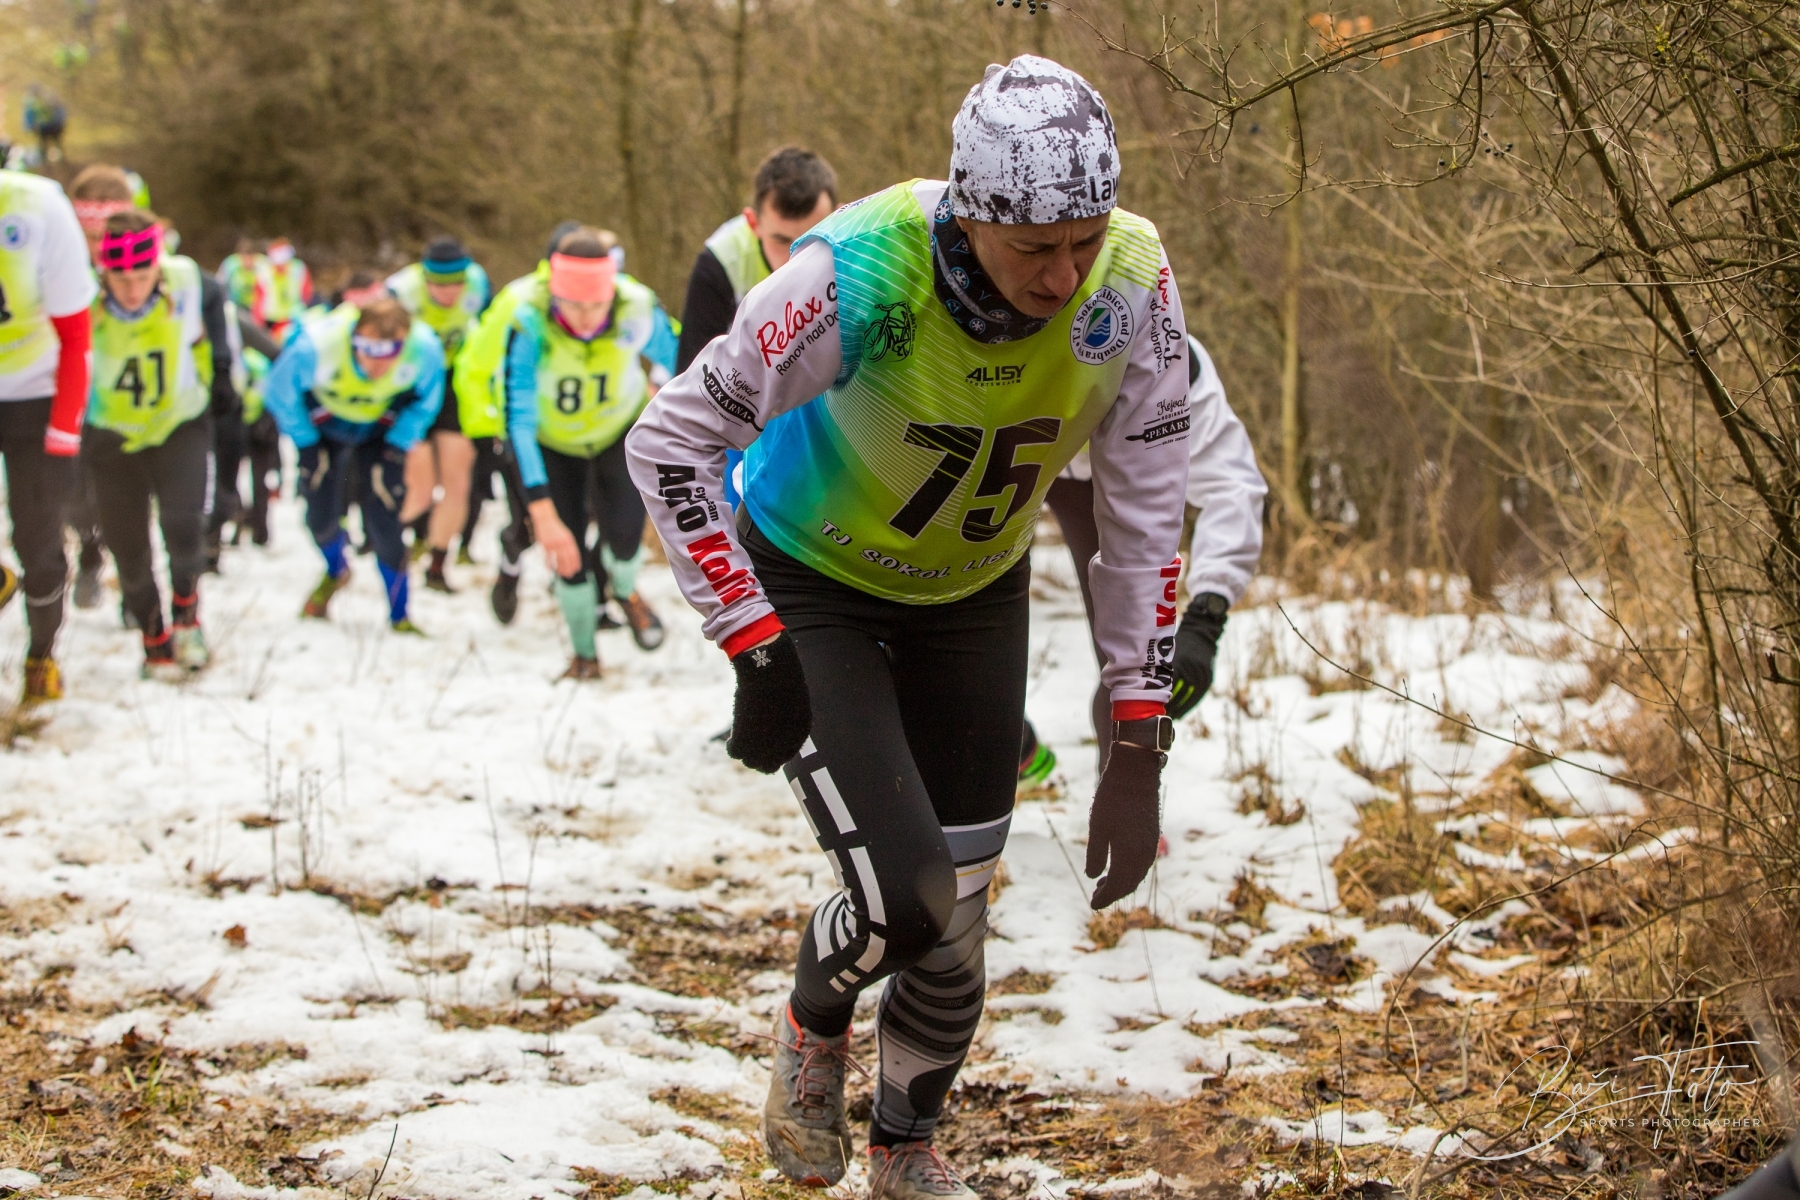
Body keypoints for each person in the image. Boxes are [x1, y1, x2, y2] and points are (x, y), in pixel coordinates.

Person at [627, 55, 1190, 1200]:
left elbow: (1145, 515)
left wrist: (1139, 733)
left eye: (1083, 241)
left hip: (971, 595)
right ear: (970, 213)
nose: (1064, 275)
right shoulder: (856, 275)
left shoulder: (1133, 280)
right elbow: (670, 439)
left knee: (959, 919)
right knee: (905, 895)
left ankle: (905, 1147)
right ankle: (813, 1019)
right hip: (814, 585)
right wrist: (750, 638)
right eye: (1035, 249)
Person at [1018, 332, 1266, 785]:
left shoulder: (1170, 355)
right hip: (1013, 451)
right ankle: (1013, 744)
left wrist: (1205, 618)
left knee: (1133, 672)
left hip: (1109, 474)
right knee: (960, 618)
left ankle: (1121, 799)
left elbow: (1231, 485)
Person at [507, 227, 673, 677]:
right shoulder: (528, 321)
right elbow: (518, 418)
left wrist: (667, 398)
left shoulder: (637, 309)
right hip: (554, 444)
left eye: (595, 305)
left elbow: (688, 358)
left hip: (618, 432)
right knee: (568, 556)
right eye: (572, 305)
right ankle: (584, 656)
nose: (584, 317)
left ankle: (625, 590)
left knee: (624, 539)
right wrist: (539, 507)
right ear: (554, 295)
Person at [82, 211, 217, 675]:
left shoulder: (185, 279)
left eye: (142, 276)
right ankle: (153, 635)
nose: (133, 289)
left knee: (184, 524)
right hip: (111, 435)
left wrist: (218, 380)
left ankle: (187, 616)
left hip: (178, 421)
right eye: (120, 279)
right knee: (128, 547)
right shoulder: (84, 294)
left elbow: (209, 330)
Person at [262, 293, 444, 632]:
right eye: (367, 349)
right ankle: (336, 571)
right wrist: (305, 441)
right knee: (319, 514)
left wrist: (400, 443)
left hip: (379, 432)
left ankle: (400, 615)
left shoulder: (424, 350)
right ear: (354, 336)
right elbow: (278, 391)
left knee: (385, 517)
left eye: (389, 353)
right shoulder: (317, 346)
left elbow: (427, 401)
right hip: (323, 429)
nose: (376, 364)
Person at [678, 147, 838, 512]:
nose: (797, 255)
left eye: (812, 237)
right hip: (746, 403)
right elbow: (693, 373)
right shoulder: (720, 263)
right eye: (781, 241)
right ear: (753, 223)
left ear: (838, 216)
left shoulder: (858, 248)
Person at [0, 168, 95, 702]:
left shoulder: (35, 206)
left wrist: (63, 439)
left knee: (37, 540)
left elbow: (76, 336)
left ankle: (41, 654)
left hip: (34, 393)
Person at [387, 238, 491, 592]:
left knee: (457, 483)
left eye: (456, 284)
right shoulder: (401, 291)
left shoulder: (479, 284)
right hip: (410, 386)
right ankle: (390, 545)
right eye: (439, 285)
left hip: (453, 384)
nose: (449, 293)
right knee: (421, 486)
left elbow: (492, 334)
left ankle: (437, 565)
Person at [248, 236, 312, 344]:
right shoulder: (263, 273)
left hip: (294, 319)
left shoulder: (298, 268)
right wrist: (258, 323)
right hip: (270, 321)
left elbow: (306, 293)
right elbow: (257, 299)